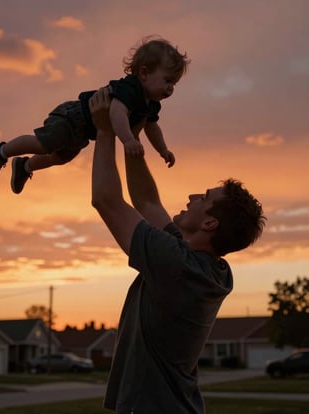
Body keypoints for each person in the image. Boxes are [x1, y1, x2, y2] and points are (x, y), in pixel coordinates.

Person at [89, 87, 266, 414]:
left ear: (210, 224)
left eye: (204, 198)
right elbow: (147, 202)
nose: (193, 196)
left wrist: (103, 131)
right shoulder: (207, 266)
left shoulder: (177, 266)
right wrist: (134, 141)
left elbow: (106, 200)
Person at [0, 36, 190, 194]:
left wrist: (163, 149)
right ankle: (1, 151)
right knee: (46, 143)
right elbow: (118, 112)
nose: (171, 88)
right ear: (144, 73)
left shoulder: (151, 104)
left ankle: (24, 166)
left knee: (59, 158)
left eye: (175, 84)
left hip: (85, 132)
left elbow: (151, 127)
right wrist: (127, 140)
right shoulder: (131, 88)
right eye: (167, 81)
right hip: (73, 116)